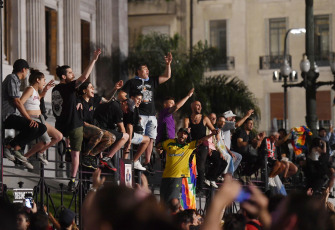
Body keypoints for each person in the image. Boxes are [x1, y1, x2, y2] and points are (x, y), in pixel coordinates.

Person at [52, 49, 101, 191]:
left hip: (61, 126)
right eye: (70, 73)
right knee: (76, 155)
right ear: (63, 76)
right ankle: (73, 180)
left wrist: (77, 102)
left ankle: (66, 154)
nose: (72, 75)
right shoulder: (67, 87)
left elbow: (66, 102)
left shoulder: (56, 89)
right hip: (74, 125)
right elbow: (84, 77)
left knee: (71, 152)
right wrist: (93, 60)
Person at [121, 52, 173, 172]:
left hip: (151, 115)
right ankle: (134, 160)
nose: (147, 71)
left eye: (148, 69)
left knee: (150, 138)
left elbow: (167, 76)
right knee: (140, 137)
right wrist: (129, 104)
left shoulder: (152, 81)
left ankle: (147, 161)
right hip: (140, 114)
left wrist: (168, 64)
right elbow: (122, 94)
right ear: (138, 71)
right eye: (144, 70)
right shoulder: (132, 82)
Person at [2, 59, 47, 169]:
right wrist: (28, 119)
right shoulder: (11, 78)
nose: (27, 73)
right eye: (26, 71)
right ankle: (10, 148)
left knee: (41, 128)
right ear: (23, 69)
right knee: (33, 126)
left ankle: (13, 147)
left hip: (13, 115)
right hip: (7, 116)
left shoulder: (16, 81)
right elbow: (17, 101)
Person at [158, 128, 217, 204]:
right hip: (165, 176)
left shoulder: (189, 146)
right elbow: (158, 145)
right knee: (162, 201)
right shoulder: (169, 142)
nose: (182, 135)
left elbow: (201, 140)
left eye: (185, 134)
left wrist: (211, 134)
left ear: (187, 137)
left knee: (172, 200)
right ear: (178, 133)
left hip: (177, 177)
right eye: (181, 133)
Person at [19, 69, 63, 168]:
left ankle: (40, 153)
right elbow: (20, 103)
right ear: (38, 80)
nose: (44, 82)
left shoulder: (34, 91)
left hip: (40, 118)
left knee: (58, 136)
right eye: (43, 80)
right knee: (47, 140)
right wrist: (27, 118)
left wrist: (45, 89)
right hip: (33, 119)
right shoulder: (29, 89)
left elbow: (38, 98)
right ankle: (24, 157)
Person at [77, 81, 121, 169]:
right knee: (99, 132)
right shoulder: (79, 100)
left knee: (111, 138)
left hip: (93, 128)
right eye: (90, 87)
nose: (93, 89)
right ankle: (85, 156)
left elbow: (107, 99)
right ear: (84, 91)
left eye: (93, 87)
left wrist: (115, 89)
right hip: (81, 126)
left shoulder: (93, 100)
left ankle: (91, 155)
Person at [184, 101, 217, 193]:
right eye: (198, 105)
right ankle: (188, 183)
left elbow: (213, 129)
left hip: (203, 145)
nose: (199, 107)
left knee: (201, 166)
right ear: (192, 106)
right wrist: (186, 130)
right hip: (192, 145)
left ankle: (200, 187)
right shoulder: (187, 119)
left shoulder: (205, 118)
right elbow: (185, 129)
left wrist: (214, 133)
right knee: (189, 163)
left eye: (200, 106)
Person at [93, 91, 129, 171]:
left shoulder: (113, 104)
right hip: (100, 129)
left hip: (97, 128)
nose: (127, 112)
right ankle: (108, 158)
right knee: (126, 136)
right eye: (128, 108)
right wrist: (127, 145)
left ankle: (101, 156)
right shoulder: (118, 108)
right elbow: (123, 130)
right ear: (124, 103)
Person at [122, 91, 149, 171]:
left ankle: (133, 162)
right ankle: (131, 163)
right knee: (146, 140)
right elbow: (129, 126)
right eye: (138, 99)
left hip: (129, 134)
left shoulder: (135, 108)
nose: (139, 101)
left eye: (141, 100)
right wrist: (129, 141)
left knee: (146, 139)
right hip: (126, 134)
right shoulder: (131, 108)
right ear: (132, 98)